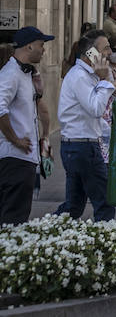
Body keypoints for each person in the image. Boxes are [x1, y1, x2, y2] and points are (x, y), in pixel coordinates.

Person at [54, 30, 116, 221]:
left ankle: (51, 231)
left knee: (73, 205)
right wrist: (104, 80)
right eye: (106, 48)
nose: (110, 52)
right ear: (91, 53)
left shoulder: (88, 75)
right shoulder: (80, 76)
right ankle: (104, 242)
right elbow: (96, 108)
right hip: (82, 146)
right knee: (104, 201)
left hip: (82, 145)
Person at [0, 27, 55, 224]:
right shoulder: (11, 74)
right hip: (15, 158)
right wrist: (15, 139)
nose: (43, 50)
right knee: (13, 220)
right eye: (41, 45)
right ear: (29, 45)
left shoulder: (25, 74)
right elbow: (0, 109)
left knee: (17, 217)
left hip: (25, 158)